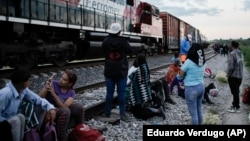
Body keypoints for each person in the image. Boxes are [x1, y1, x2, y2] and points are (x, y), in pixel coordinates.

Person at [0, 70, 56, 141]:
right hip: (3, 122)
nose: (29, 82)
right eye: (28, 80)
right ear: (22, 83)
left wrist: (50, 108)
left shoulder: (22, 90)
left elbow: (37, 99)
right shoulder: (6, 94)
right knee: (16, 120)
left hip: (9, 120)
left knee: (21, 117)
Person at [39, 70, 84, 141]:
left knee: (79, 107)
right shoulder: (53, 84)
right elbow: (40, 98)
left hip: (60, 110)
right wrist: (46, 87)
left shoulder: (71, 92)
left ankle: (80, 132)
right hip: (48, 111)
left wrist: (53, 94)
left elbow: (63, 106)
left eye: (64, 80)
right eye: (61, 78)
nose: (61, 80)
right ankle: (62, 138)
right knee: (66, 111)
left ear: (70, 84)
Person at [102, 23, 132, 121]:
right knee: (121, 93)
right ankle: (122, 114)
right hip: (121, 71)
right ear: (119, 31)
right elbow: (130, 51)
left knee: (109, 93)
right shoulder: (124, 41)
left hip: (109, 71)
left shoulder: (105, 41)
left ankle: (107, 113)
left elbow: (102, 50)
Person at [126, 54, 166, 120]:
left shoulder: (138, 69)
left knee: (138, 113)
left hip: (138, 97)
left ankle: (157, 111)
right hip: (145, 96)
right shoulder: (145, 68)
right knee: (138, 110)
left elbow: (130, 81)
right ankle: (156, 110)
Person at [179, 43, 206, 125]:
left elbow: (180, 75)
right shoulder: (203, 62)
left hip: (191, 89)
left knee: (193, 114)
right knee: (199, 110)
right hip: (201, 87)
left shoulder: (189, 62)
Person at [227, 41, 243, 113]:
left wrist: (228, 74)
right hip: (240, 76)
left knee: (234, 92)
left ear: (232, 45)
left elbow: (231, 67)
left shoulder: (232, 54)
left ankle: (236, 107)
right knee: (236, 91)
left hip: (233, 76)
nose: (229, 45)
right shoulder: (240, 53)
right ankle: (235, 104)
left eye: (230, 44)